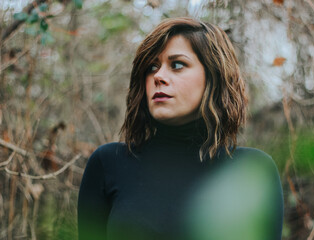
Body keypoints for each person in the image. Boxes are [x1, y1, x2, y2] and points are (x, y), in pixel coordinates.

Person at [78, 17, 283, 240]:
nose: (158, 77)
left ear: (213, 77)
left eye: (177, 65)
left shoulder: (252, 171)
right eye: (151, 67)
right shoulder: (108, 164)